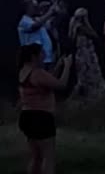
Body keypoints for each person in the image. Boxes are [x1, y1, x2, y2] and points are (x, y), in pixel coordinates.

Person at [17, 43, 72, 174]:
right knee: (48, 157)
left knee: (36, 156)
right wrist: (68, 66)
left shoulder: (23, 71)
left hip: (27, 116)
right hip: (41, 117)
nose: (45, 55)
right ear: (33, 56)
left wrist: (58, 66)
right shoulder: (38, 73)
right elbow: (61, 84)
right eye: (42, 53)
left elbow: (47, 81)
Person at [67, 8, 105, 103]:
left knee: (85, 76)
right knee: (89, 75)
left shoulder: (74, 25)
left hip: (84, 54)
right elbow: (94, 35)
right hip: (86, 55)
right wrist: (87, 22)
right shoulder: (80, 27)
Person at [17, 0, 56, 70]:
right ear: (27, 8)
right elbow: (35, 26)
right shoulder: (24, 21)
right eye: (34, 6)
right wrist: (50, 12)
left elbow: (49, 23)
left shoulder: (36, 19)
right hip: (35, 60)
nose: (36, 8)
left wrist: (51, 8)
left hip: (47, 57)